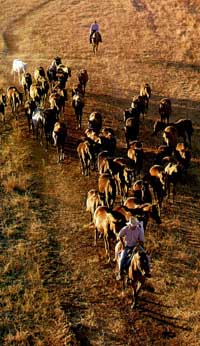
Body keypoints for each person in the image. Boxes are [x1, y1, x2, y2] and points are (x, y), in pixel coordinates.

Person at [116, 216, 151, 280]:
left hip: (136, 246)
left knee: (147, 257)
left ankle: (147, 271)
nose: (134, 226)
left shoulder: (138, 230)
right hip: (127, 246)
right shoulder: (126, 229)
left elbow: (141, 240)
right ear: (130, 225)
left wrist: (139, 245)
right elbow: (120, 235)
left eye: (135, 225)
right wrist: (123, 244)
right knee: (122, 259)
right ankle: (120, 273)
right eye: (133, 225)